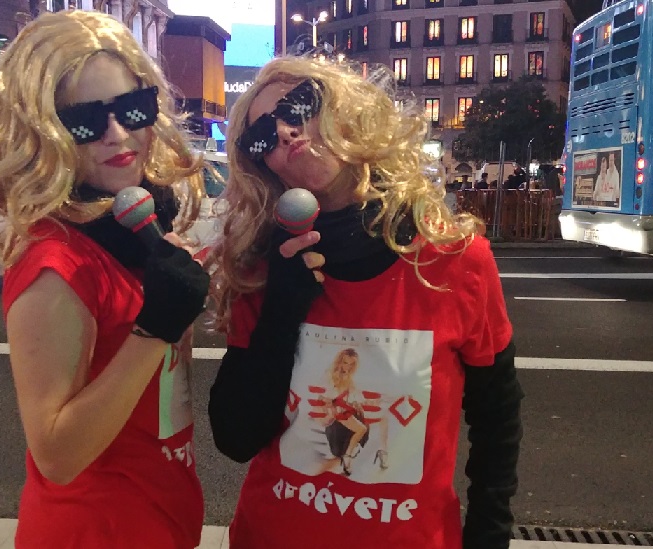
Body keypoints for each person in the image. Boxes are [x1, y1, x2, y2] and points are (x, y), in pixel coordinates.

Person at [207, 56, 523, 549]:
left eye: (300, 105)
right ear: (263, 165)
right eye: (262, 136)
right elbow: (235, 438)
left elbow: (496, 419)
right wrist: (281, 310)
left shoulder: (456, 259)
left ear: (347, 109)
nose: (285, 131)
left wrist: (488, 536)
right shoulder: (264, 270)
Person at [0, 10, 210, 548]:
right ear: (42, 133)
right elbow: (57, 455)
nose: (118, 134)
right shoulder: (55, 261)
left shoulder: (133, 231)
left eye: (132, 108)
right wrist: (157, 327)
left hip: (156, 519)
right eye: (85, 121)